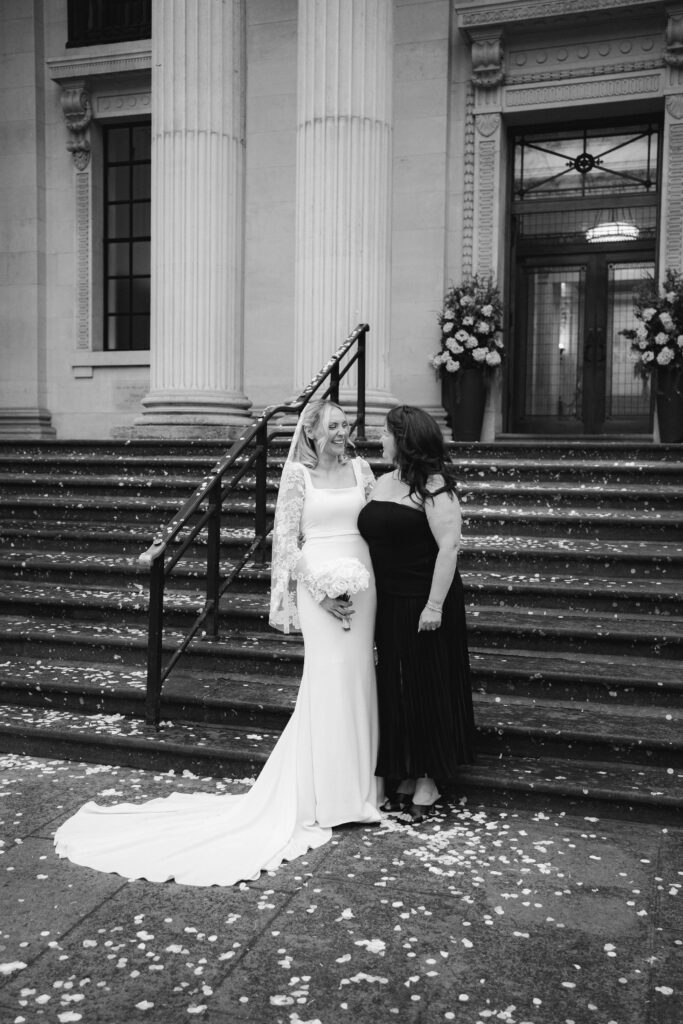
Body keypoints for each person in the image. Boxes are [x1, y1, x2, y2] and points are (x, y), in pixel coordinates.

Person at [54, 400, 381, 886]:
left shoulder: (362, 469)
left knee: (359, 680)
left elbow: (376, 526)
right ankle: (326, 795)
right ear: (311, 432)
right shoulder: (297, 477)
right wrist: (321, 590)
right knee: (329, 681)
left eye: (345, 424)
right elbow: (287, 545)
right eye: (333, 425)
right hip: (319, 590)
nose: (342, 431)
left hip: (362, 585)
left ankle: (359, 790)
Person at [357, 404, 476, 825]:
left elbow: (448, 548)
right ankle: (404, 771)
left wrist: (434, 605)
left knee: (426, 685)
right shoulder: (382, 480)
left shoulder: (434, 487)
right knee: (396, 686)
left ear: (405, 440)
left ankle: (430, 778)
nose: (380, 439)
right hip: (388, 600)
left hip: (426, 599)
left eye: (386, 433)